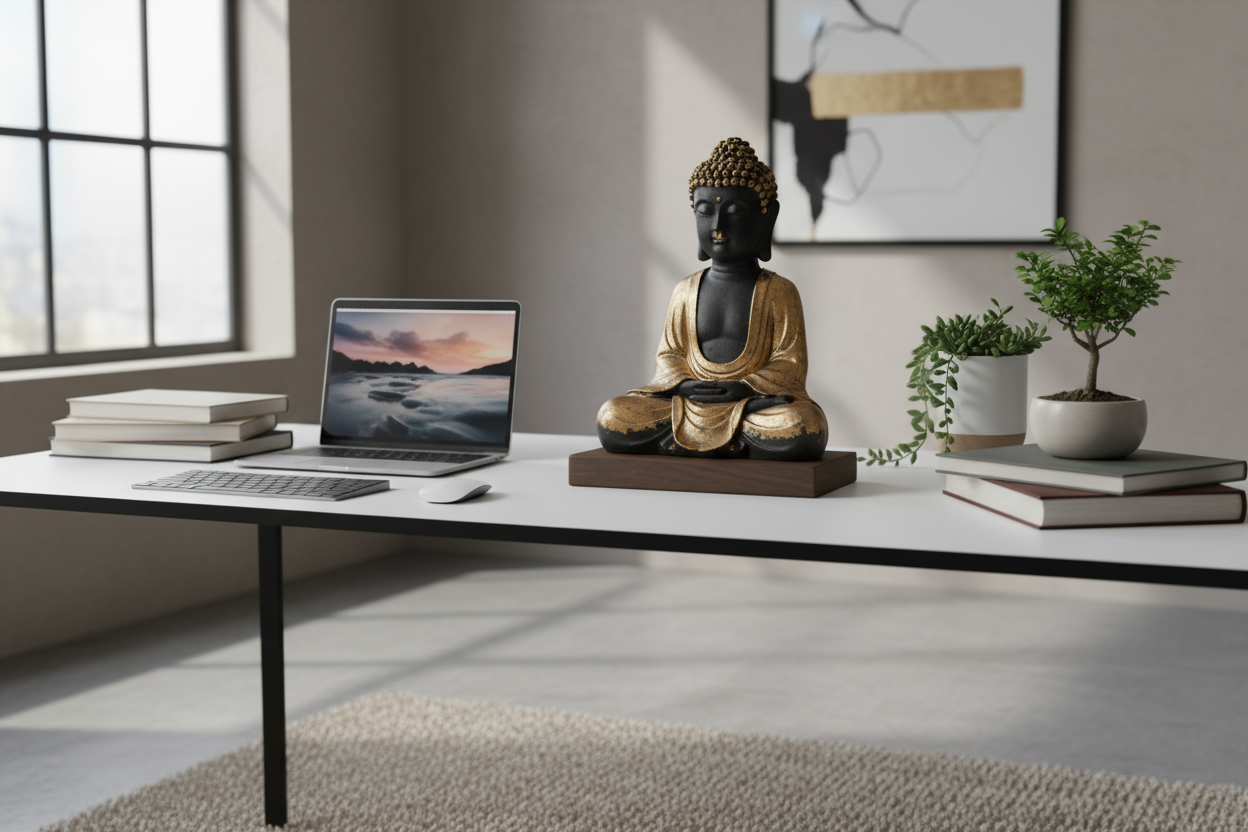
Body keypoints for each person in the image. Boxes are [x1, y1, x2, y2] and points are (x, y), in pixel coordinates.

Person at [596, 138, 828, 461]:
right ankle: (729, 444)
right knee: (613, 416)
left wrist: (745, 389)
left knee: (804, 426)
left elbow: (789, 366)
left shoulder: (779, 292)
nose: (718, 226)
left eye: (733, 212)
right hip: (689, 405)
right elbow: (669, 358)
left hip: (750, 406)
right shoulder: (684, 291)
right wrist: (683, 385)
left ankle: (686, 443)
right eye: (706, 211)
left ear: (766, 220)